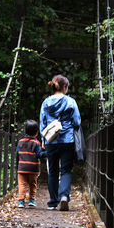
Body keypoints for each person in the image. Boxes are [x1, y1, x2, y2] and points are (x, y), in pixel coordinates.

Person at [40, 75, 81, 211]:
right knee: (66, 170)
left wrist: (43, 139)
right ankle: (64, 196)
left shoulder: (46, 102)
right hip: (67, 140)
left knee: (52, 171)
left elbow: (43, 123)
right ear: (64, 87)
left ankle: (52, 202)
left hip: (51, 140)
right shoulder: (70, 102)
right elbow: (77, 122)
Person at [16, 120, 47, 208]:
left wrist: (17, 166)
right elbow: (39, 155)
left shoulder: (20, 142)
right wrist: (47, 153)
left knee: (22, 184)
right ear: (37, 132)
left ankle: (21, 201)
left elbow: (17, 155)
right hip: (33, 168)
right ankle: (31, 200)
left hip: (22, 167)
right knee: (32, 184)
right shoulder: (36, 143)